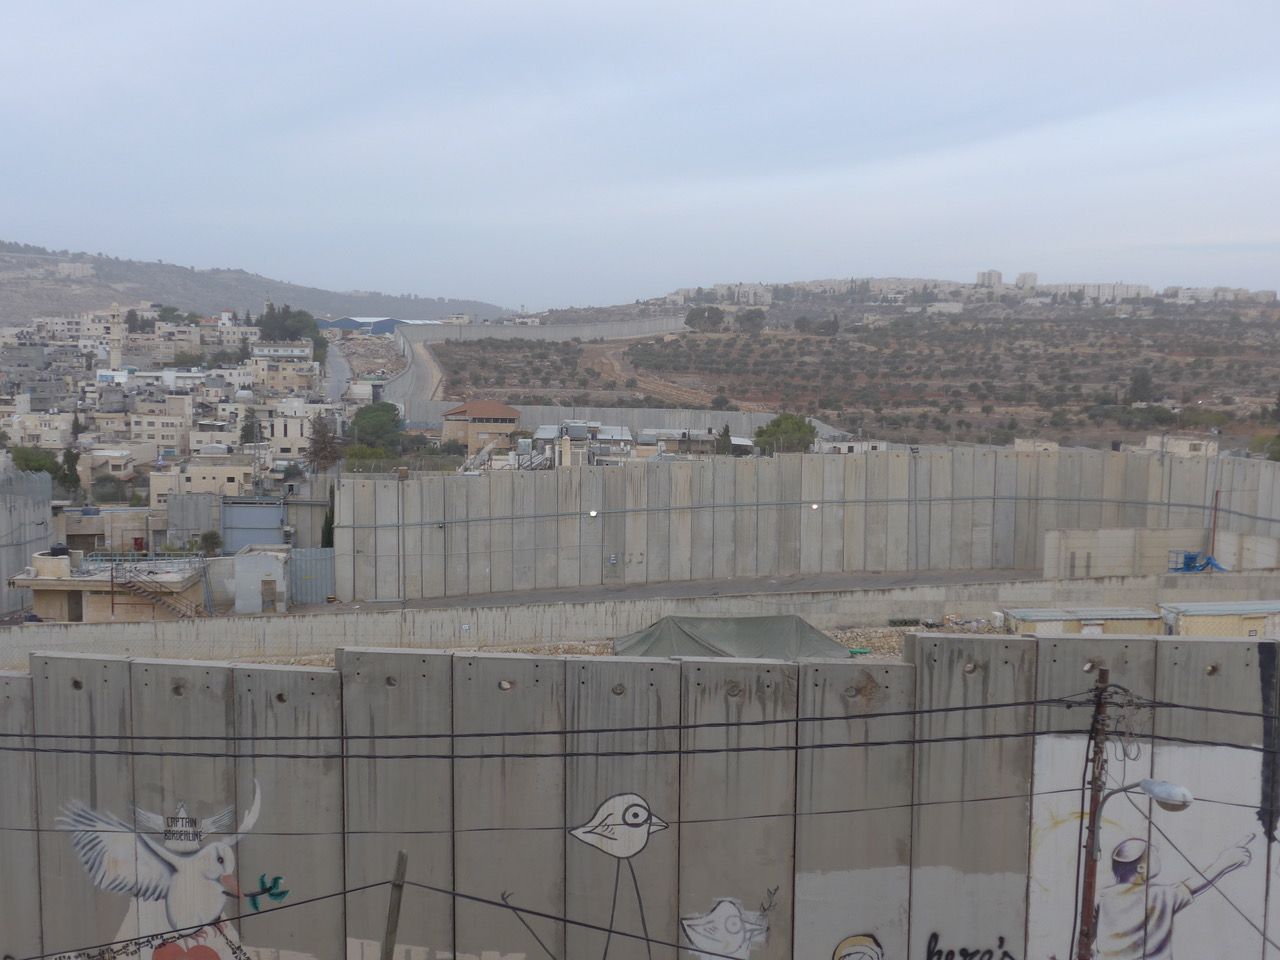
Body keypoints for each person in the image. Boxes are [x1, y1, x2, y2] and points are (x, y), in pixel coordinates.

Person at [1093, 835, 1253, 959]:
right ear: (1141, 868)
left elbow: (1087, 936)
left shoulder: (1103, 897)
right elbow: (1197, 884)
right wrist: (1225, 861)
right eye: (1153, 854)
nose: (1157, 855)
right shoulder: (1159, 896)